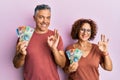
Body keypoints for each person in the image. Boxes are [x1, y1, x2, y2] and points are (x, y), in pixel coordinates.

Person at [13, 4, 66, 80]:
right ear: (34, 18)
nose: (45, 21)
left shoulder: (55, 37)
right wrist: (21, 55)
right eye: (41, 17)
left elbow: (62, 64)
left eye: (48, 18)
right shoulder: (24, 36)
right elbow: (16, 65)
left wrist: (54, 49)